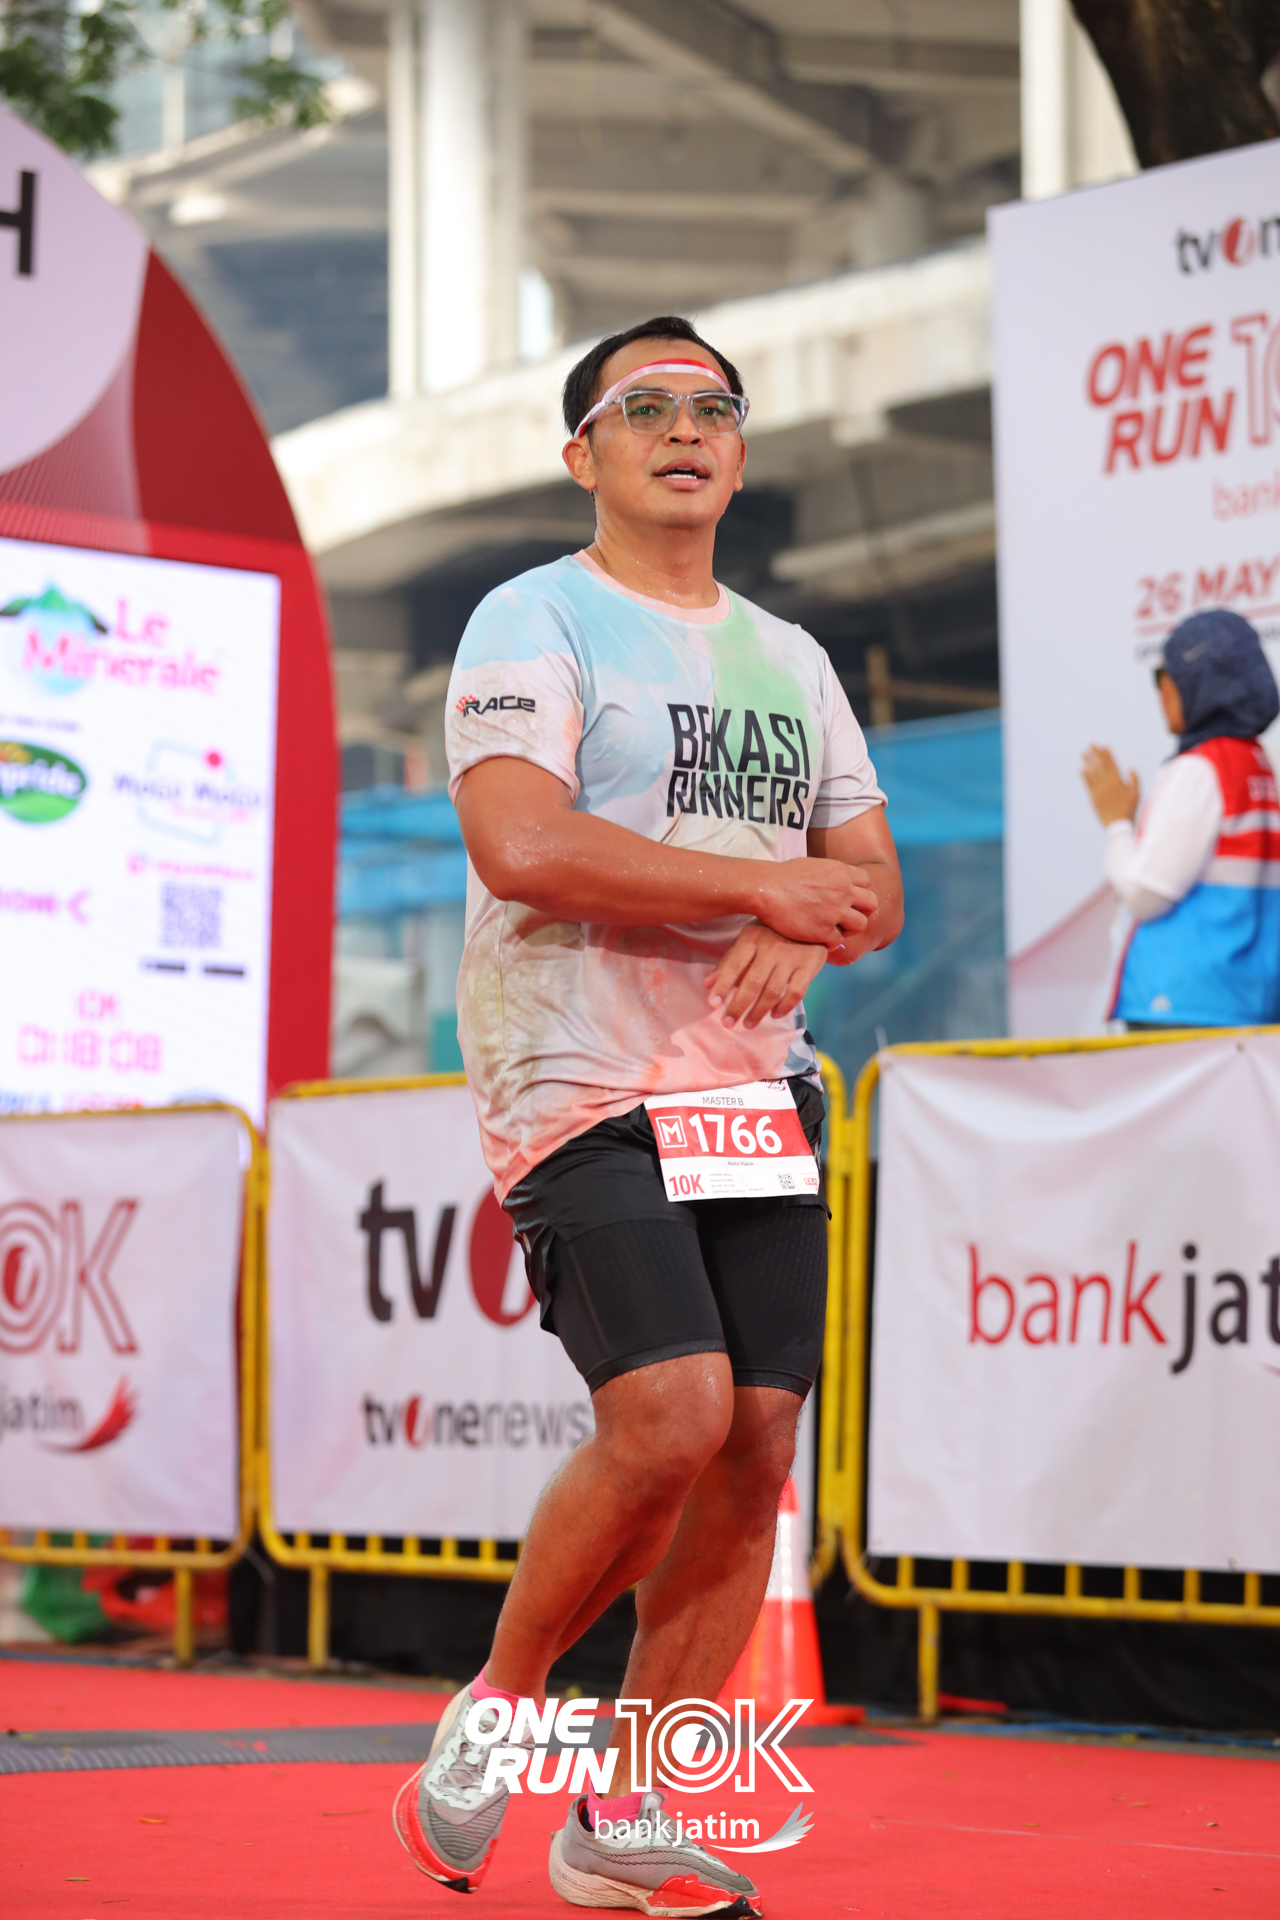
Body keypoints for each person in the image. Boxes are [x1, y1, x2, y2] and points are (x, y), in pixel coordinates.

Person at [392, 314, 903, 1916]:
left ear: (739, 459)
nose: (686, 428)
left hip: (747, 1082)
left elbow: (872, 886)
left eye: (714, 408)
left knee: (752, 1443)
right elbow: (523, 848)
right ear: (583, 455)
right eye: (646, 407)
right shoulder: (534, 618)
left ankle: (628, 1812)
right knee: (670, 1415)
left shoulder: (791, 658)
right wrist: (766, 888)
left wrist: (806, 921)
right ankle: (500, 1710)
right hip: (579, 1072)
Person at [1082, 608, 1280, 1029]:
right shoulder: (1258, 764)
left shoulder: (1199, 768)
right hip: (1246, 1002)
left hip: (1180, 1005)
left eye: (1164, 676)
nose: (1160, 692)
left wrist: (1117, 824)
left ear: (1198, 682)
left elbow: (1144, 894)